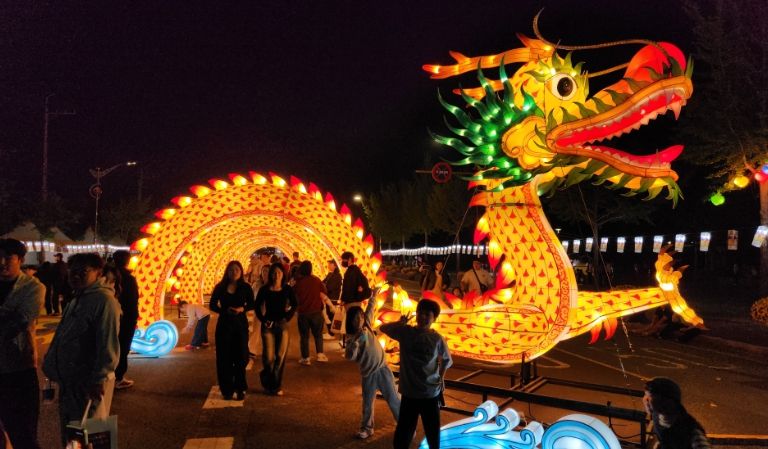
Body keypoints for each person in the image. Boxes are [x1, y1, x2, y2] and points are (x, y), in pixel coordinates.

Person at [43, 253, 121, 447]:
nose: (75, 276)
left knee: (89, 433)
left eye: (82, 271)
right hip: (69, 380)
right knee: (73, 432)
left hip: (87, 382)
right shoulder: (77, 298)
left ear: (98, 273)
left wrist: (99, 378)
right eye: (72, 271)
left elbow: (108, 342)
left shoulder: (104, 301)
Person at [380, 299, 452, 449]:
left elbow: (446, 359)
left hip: (430, 393)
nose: (422, 317)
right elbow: (383, 328)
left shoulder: (437, 338)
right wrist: (400, 323)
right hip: (409, 393)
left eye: (427, 314)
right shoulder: (405, 332)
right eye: (420, 313)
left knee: (432, 434)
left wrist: (441, 378)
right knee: (403, 435)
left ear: (434, 318)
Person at [0, 239, 45, 449]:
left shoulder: (33, 287)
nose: (1, 262)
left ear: (20, 259)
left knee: (23, 435)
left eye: (7, 257)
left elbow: (21, 321)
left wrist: (9, 317)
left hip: (18, 370)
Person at [344, 301, 400, 440]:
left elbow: (369, 310)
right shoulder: (351, 338)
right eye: (355, 318)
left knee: (393, 399)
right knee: (367, 403)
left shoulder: (367, 326)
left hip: (383, 370)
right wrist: (355, 345)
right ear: (350, 321)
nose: (359, 320)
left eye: (360, 317)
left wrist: (373, 297)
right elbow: (350, 357)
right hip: (368, 374)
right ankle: (367, 428)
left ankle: (405, 426)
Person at [209, 260, 254, 401]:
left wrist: (242, 309)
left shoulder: (245, 287)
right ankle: (227, 389)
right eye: (231, 270)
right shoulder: (220, 287)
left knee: (241, 357)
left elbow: (252, 303)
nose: (233, 272)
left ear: (241, 272)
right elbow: (212, 305)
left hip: (240, 325)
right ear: (227, 272)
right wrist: (224, 311)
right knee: (224, 358)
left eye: (236, 270)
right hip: (224, 325)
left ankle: (240, 387)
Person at [255, 263, 297, 396]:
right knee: (268, 357)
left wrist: (287, 317)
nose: (276, 275)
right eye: (274, 272)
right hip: (268, 325)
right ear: (270, 275)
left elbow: (295, 304)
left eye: (279, 272)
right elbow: (257, 305)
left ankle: (275, 386)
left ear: (283, 274)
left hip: (282, 325)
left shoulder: (287, 289)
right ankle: (267, 378)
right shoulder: (265, 289)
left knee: (280, 356)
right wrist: (263, 319)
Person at [643, 377, 711, 449]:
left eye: (649, 396)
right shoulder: (657, 415)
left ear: (664, 402)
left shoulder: (691, 432)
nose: (645, 399)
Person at [293, 261, 334, 365]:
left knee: (304, 336)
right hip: (316, 312)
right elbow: (323, 292)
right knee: (318, 334)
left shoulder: (298, 282)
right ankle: (320, 355)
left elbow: (294, 296)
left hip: (303, 313)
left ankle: (306, 358)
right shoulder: (316, 280)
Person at [112, 250, 139, 390]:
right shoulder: (128, 278)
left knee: (111, 346)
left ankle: (110, 376)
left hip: (112, 317)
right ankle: (119, 378)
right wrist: (134, 318)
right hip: (126, 318)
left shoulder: (107, 276)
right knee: (123, 347)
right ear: (128, 261)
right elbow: (133, 300)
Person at [322, 260, 342, 338]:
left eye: (330, 264)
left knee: (331, 315)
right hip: (328, 297)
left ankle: (332, 333)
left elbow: (330, 287)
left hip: (333, 298)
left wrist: (324, 287)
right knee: (328, 314)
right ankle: (331, 332)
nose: (328, 266)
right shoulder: (330, 274)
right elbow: (323, 282)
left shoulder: (337, 276)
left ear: (335, 265)